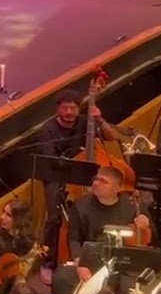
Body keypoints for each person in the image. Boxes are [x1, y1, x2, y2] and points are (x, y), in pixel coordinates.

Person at [50, 166, 153, 294]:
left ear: (117, 188)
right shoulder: (81, 205)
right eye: (95, 179)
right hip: (92, 260)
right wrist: (79, 261)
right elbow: (74, 238)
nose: (96, 183)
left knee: (129, 290)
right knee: (61, 278)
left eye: (103, 181)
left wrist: (146, 224)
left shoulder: (132, 204)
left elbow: (152, 237)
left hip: (124, 261)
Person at [35, 89, 124, 280]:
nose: (69, 112)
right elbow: (49, 160)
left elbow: (111, 137)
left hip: (85, 175)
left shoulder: (87, 122)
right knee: (54, 217)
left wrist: (99, 120)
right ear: (58, 109)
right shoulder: (48, 129)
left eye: (73, 108)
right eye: (65, 108)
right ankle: (48, 262)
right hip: (57, 176)